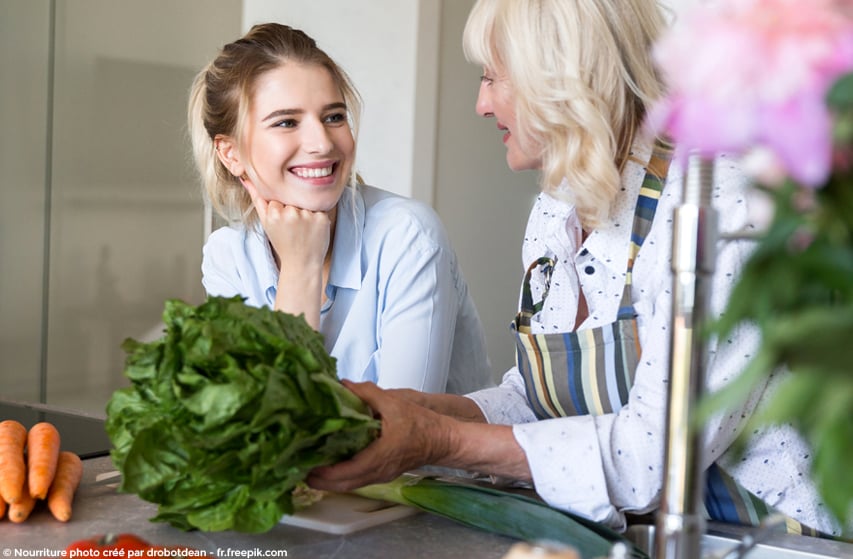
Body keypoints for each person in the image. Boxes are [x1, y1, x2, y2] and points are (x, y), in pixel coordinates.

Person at [308, 0, 842, 538]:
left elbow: (649, 462)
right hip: (648, 536)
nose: (481, 103)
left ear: (560, 79)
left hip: (775, 542)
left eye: (494, 78)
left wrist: (435, 439)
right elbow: (536, 406)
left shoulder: (718, 208)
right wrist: (420, 410)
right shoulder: (557, 209)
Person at [188, 23, 492, 395]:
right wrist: (301, 266)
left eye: (333, 116)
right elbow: (254, 431)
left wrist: (300, 265)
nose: (321, 143)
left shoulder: (407, 236)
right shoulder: (228, 257)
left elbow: (407, 434)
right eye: (286, 122)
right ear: (230, 153)